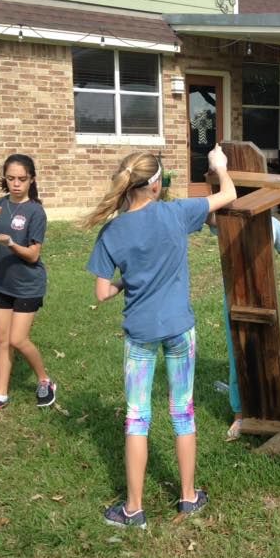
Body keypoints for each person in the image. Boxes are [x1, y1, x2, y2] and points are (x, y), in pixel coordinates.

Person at [84, 147, 236, 529]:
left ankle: (133, 509)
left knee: (138, 417)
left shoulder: (112, 231)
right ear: (155, 185)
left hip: (140, 335)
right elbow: (229, 196)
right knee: (182, 411)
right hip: (180, 330)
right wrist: (220, 168)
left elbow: (102, 293)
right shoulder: (176, 212)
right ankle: (188, 497)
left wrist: (125, 282)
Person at [0, 154, 56, 413]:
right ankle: (0, 395)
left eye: (22, 179)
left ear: (31, 180)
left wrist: (10, 243)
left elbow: (33, 255)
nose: (16, 184)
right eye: (10, 178)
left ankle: (45, 381)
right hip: (3, 283)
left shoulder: (36, 212)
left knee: (18, 339)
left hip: (29, 284)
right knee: (1, 339)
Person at [210, 214, 280, 441]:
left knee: (270, 351)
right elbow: (209, 218)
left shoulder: (274, 223)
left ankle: (273, 406)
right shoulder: (227, 220)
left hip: (266, 296)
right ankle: (240, 413)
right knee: (238, 355)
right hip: (234, 298)